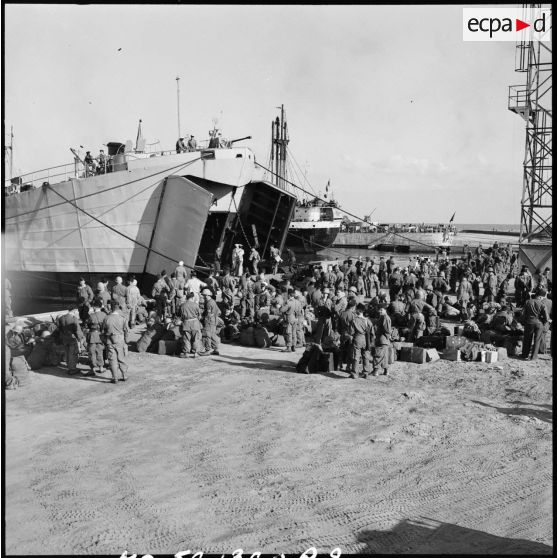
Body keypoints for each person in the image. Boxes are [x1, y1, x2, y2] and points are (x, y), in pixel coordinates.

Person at [102, 301, 129, 383]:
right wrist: (126, 341)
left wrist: (104, 339)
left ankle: (115, 378)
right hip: (120, 339)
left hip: (109, 339)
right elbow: (126, 330)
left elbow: (103, 330)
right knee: (121, 357)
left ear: (111, 308)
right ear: (118, 309)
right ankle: (124, 375)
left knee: (112, 359)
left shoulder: (107, 318)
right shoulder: (123, 317)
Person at [521, 289, 550, 360]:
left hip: (529, 323)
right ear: (540, 297)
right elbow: (546, 317)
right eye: (542, 298)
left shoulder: (527, 302)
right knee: (537, 340)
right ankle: (533, 357)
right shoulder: (542, 304)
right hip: (539, 323)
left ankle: (525, 355)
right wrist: (542, 322)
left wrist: (524, 322)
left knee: (527, 339)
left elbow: (522, 313)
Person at [348, 303, 373, 379]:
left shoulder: (354, 320)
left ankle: (355, 373)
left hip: (357, 339)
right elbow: (372, 332)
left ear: (358, 310)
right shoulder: (367, 320)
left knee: (356, 356)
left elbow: (351, 332)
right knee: (366, 356)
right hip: (366, 340)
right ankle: (366, 373)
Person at [57, 306, 85, 375]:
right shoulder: (74, 319)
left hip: (64, 338)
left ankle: (69, 365)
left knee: (67, 352)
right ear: (74, 311)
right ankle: (72, 369)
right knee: (73, 353)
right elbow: (78, 330)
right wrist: (81, 338)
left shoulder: (61, 318)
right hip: (72, 338)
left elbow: (59, 328)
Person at [86, 298, 107, 375]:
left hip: (92, 336)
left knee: (92, 352)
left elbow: (87, 325)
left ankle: (93, 369)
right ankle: (101, 368)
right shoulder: (104, 315)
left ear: (95, 307)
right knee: (100, 351)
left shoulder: (91, 316)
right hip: (101, 335)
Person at [178, 292, 202, 358]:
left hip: (186, 324)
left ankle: (186, 353)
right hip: (195, 323)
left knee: (186, 339)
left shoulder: (182, 305)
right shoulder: (196, 305)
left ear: (186, 298)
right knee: (196, 338)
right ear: (192, 297)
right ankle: (196, 353)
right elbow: (199, 316)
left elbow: (179, 315)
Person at [200, 288, 221, 356]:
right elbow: (218, 311)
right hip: (214, 320)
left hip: (209, 321)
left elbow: (208, 315)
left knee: (206, 335)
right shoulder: (213, 301)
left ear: (206, 295)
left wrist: (202, 318)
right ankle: (216, 349)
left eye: (203, 295)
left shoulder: (209, 303)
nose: (203, 296)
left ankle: (207, 350)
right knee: (212, 335)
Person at [373, 306, 392, 376]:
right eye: (379, 310)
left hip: (382, 339)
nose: (379, 311)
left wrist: (388, 336)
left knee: (379, 355)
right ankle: (386, 370)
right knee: (384, 355)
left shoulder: (385, 318)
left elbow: (387, 330)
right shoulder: (382, 317)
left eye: (381, 310)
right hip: (382, 339)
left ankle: (376, 370)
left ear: (385, 310)